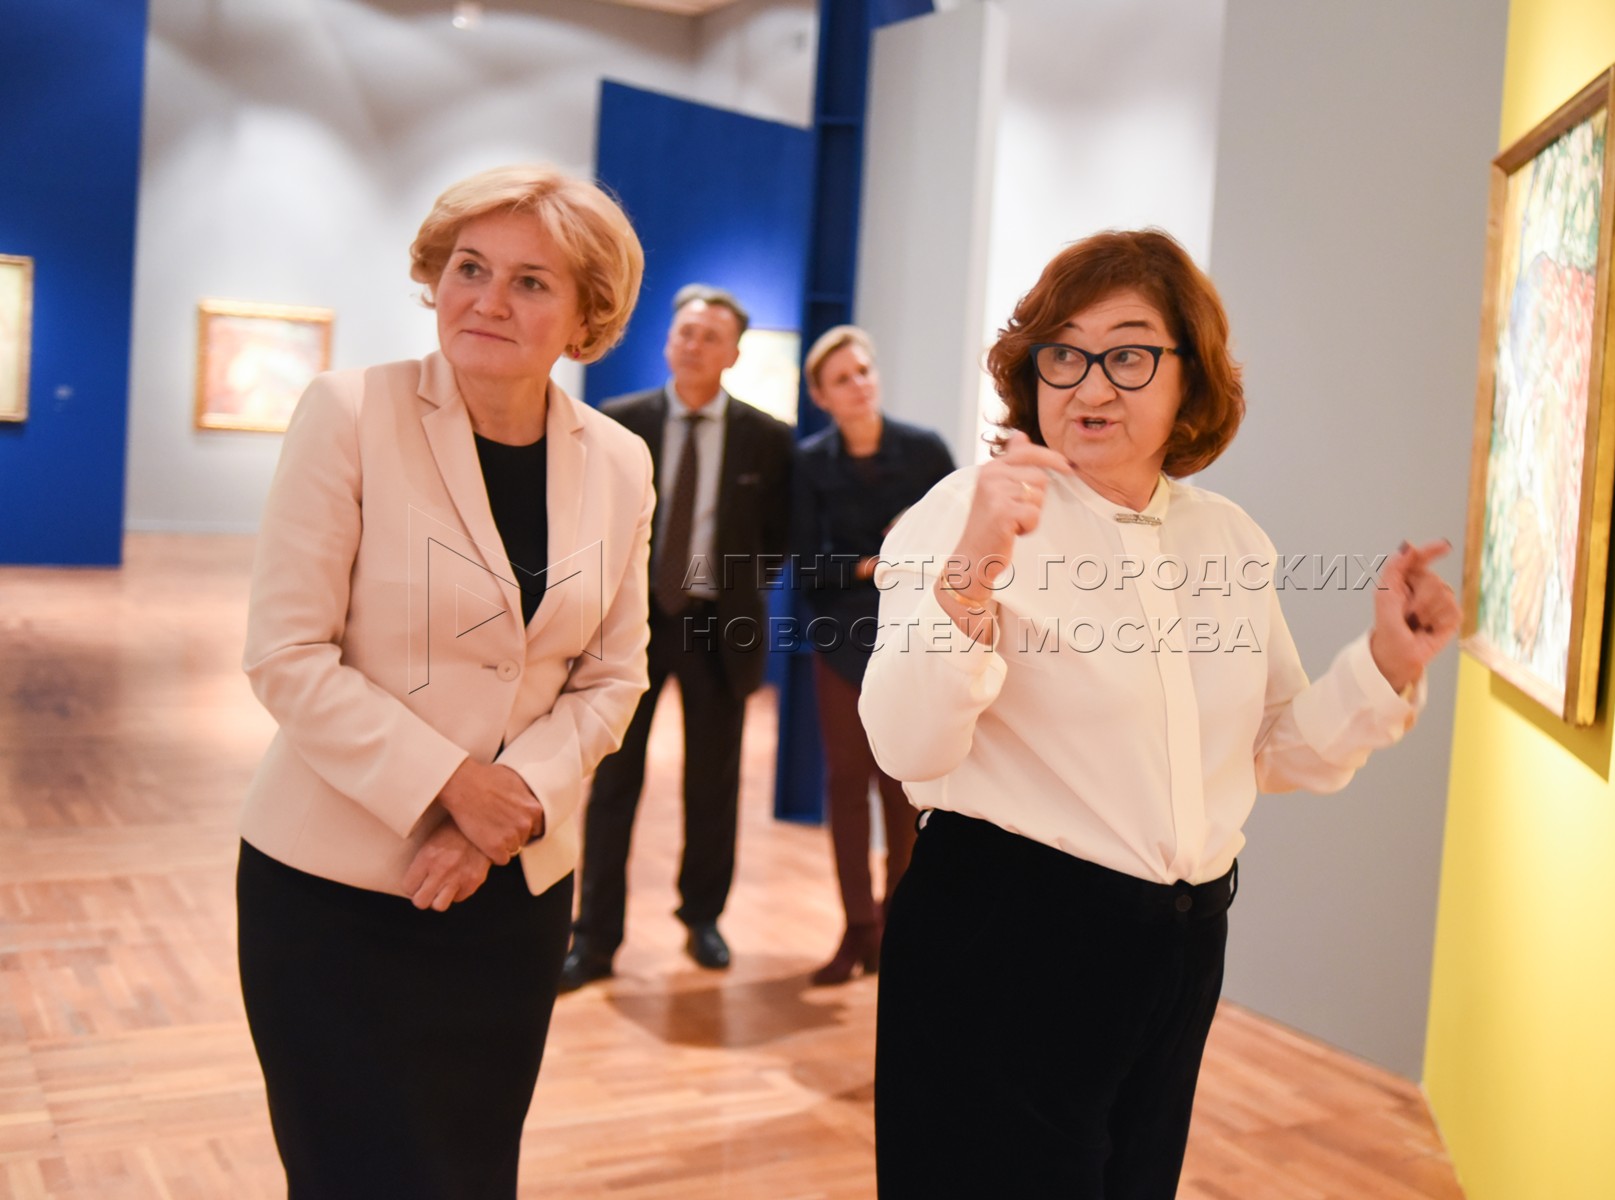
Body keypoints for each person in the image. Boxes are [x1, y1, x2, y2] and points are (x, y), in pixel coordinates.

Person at [859, 229, 1461, 1199]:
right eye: (1063, 354)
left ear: (1191, 377)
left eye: (1129, 355)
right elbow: (905, 744)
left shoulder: (1228, 538)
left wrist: (1387, 664)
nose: (1090, 386)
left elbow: (1276, 750)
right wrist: (972, 570)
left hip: (1177, 947)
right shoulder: (966, 510)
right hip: (1006, 941)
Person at [235, 164, 654, 1199]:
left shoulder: (619, 461)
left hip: (512, 892)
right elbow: (287, 653)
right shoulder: (348, 412)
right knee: (349, 1174)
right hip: (335, 893)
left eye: (530, 282)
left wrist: (505, 812)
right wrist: (454, 787)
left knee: (470, 1170)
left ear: (586, 317)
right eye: (470, 268)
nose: (487, 300)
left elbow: (613, 674)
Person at [560, 284, 794, 989]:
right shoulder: (620, 422)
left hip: (719, 628)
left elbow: (777, 538)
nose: (693, 344)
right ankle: (595, 939)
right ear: (668, 340)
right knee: (614, 783)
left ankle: (702, 917)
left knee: (713, 784)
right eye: (684, 331)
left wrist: (732, 586)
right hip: (631, 626)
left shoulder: (767, 438)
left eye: (710, 336)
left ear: (733, 354)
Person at [792, 326, 956, 986]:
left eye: (864, 370)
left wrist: (886, 559)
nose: (858, 384)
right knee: (846, 785)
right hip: (840, 639)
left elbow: (954, 542)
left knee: (902, 786)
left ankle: (895, 925)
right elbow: (808, 566)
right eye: (842, 378)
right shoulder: (808, 463)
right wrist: (880, 560)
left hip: (911, 636)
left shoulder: (925, 450)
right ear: (821, 396)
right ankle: (857, 926)